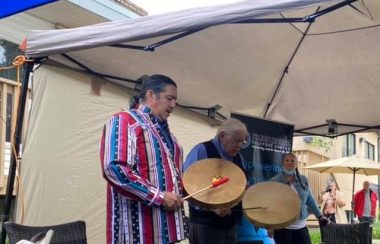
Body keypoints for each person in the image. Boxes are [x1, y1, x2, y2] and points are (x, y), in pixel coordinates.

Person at [100, 75, 187, 244]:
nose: (173, 105)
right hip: (137, 233)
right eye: (169, 98)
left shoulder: (170, 136)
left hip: (166, 232)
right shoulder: (125, 120)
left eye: (175, 100)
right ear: (151, 95)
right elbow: (115, 168)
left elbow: (175, 177)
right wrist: (160, 197)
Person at [183, 118, 249, 244]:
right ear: (222, 135)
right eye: (236, 140)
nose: (240, 145)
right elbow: (186, 186)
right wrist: (211, 207)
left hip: (230, 224)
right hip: (205, 224)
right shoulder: (202, 150)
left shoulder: (239, 158)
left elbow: (241, 185)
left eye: (243, 141)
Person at [270, 153, 329, 244]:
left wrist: (320, 216)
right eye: (287, 160)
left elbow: (310, 199)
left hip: (301, 226)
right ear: (282, 164)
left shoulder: (303, 179)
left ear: (296, 164)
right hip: (282, 227)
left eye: (292, 161)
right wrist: (271, 226)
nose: (290, 163)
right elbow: (271, 204)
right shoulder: (275, 181)